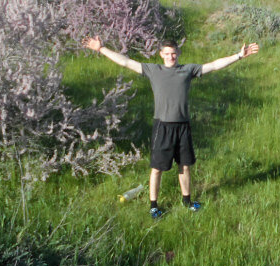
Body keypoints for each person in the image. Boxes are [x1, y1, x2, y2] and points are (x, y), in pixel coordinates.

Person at [84, 36, 259, 218]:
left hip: (183, 126)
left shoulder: (188, 70)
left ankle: (187, 201)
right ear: (161, 54)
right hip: (163, 126)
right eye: (167, 53)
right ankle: (153, 206)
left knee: (184, 166)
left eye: (173, 53)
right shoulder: (154, 70)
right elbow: (126, 62)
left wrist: (239, 56)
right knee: (157, 168)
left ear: (178, 53)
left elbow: (214, 65)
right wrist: (101, 49)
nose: (171, 57)